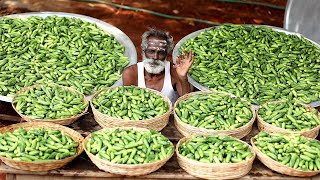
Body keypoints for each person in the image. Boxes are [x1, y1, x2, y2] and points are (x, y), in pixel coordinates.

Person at [122, 28, 194, 103]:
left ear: (167, 55)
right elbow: (127, 102)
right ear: (144, 51)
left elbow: (187, 103)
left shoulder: (174, 71)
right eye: (151, 51)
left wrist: (183, 78)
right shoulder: (131, 73)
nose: (155, 57)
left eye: (161, 53)